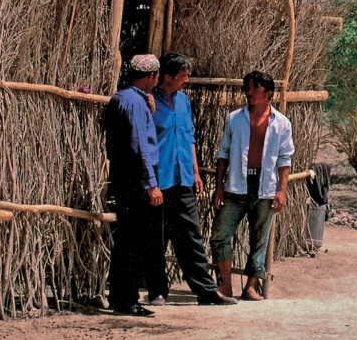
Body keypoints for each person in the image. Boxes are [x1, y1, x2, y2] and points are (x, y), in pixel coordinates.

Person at [148, 53, 235, 307]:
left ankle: (206, 291)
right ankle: (157, 291)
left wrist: (195, 172)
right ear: (168, 77)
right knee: (157, 238)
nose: (186, 80)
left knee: (191, 237)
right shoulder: (151, 102)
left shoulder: (184, 101)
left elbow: (189, 138)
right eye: (183, 76)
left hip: (183, 177)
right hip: (159, 179)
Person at [211, 70, 294, 301]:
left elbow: (285, 159)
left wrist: (281, 190)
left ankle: (251, 286)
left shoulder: (282, 123)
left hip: (265, 186)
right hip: (236, 184)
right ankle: (225, 285)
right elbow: (223, 154)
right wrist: (219, 186)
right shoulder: (234, 118)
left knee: (259, 238)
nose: (249, 92)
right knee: (220, 234)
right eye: (247, 87)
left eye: (255, 89)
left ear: (267, 93)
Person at [103, 54, 164, 317]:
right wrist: (150, 184)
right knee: (135, 241)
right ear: (152, 76)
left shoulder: (122, 98)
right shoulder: (136, 104)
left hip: (122, 177)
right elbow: (140, 145)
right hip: (137, 181)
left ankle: (120, 296)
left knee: (126, 239)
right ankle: (128, 299)